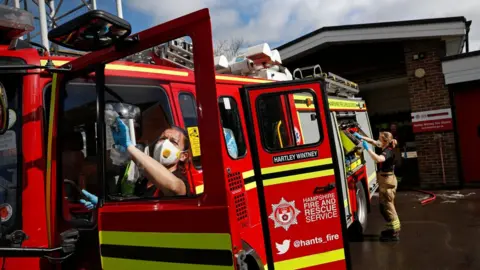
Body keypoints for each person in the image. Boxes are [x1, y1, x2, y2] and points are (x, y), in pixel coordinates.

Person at [80, 118, 191, 209]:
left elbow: (174, 187)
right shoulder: (144, 180)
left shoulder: (181, 181)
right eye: (162, 138)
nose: (164, 144)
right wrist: (104, 205)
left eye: (173, 142)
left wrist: (129, 147)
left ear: (183, 156)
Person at [354, 131, 400, 242]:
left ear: (385, 140)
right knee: (383, 206)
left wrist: (367, 149)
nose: (378, 140)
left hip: (387, 181)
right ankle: (391, 229)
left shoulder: (388, 151)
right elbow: (373, 142)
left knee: (388, 206)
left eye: (380, 138)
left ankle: (394, 232)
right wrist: (361, 137)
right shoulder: (385, 145)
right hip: (385, 179)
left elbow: (379, 159)